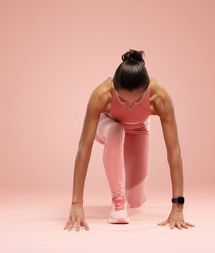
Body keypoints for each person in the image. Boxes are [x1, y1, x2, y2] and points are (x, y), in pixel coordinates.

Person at [64, 49, 194, 231]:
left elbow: (174, 152)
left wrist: (177, 207)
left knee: (136, 201)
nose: (131, 106)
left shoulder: (160, 98)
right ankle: (118, 201)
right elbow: (83, 150)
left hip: (138, 128)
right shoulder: (101, 95)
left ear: (147, 89)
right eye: (124, 101)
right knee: (117, 130)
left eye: (138, 100)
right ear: (114, 89)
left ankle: (127, 198)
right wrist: (76, 203)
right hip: (108, 126)